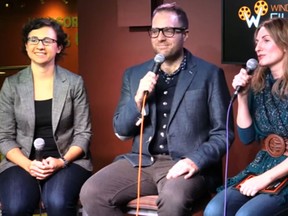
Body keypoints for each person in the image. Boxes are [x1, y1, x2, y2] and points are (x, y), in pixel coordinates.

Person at [80, 3, 234, 216]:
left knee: (173, 198)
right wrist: (137, 102)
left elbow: (223, 133)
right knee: (91, 192)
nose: (160, 37)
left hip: (185, 163)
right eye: (155, 31)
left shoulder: (208, 74)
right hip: (141, 162)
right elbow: (121, 130)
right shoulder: (134, 75)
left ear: (185, 34)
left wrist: (195, 161)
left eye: (169, 30)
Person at [0, 18, 92, 216]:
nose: (40, 46)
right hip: (22, 161)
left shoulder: (74, 83)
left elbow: (83, 133)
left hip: (68, 160)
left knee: (57, 202)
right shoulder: (11, 85)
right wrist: (28, 164)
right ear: (26, 45)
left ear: (58, 47)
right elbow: (4, 137)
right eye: (34, 40)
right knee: (16, 206)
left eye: (47, 41)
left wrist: (61, 162)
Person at [204, 17, 288, 216]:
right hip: (265, 162)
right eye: (257, 42)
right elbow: (246, 137)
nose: (258, 47)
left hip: (282, 170)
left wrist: (265, 179)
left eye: (266, 40)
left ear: (284, 43)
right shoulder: (259, 84)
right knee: (214, 210)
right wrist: (242, 96)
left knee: (247, 215)